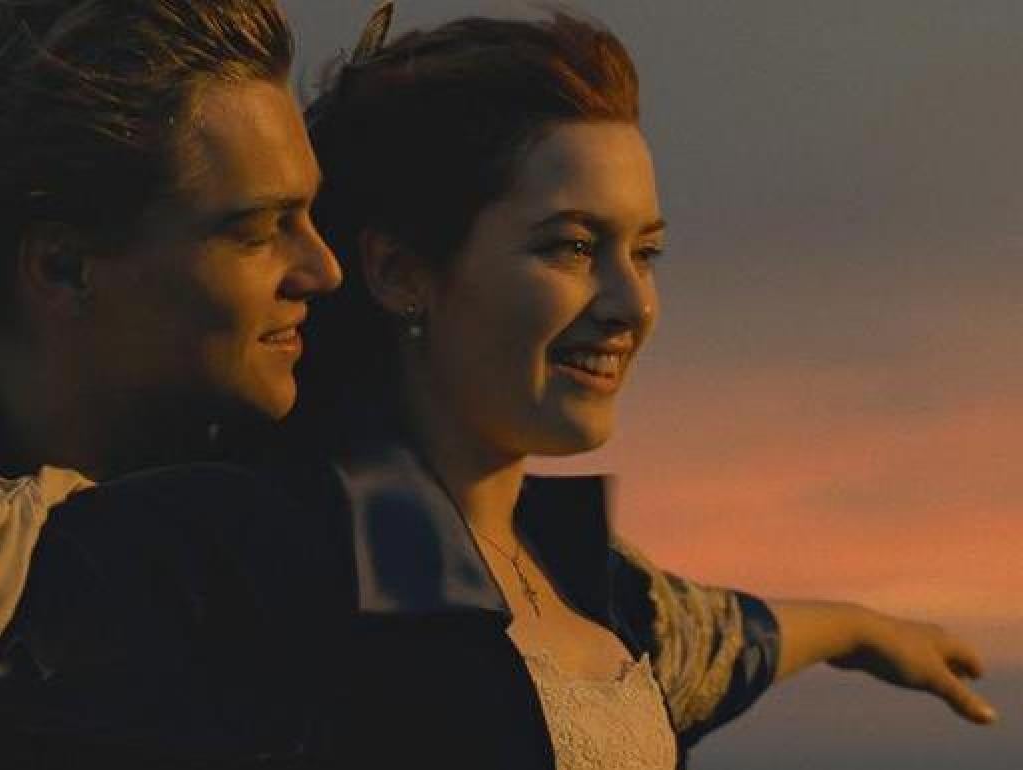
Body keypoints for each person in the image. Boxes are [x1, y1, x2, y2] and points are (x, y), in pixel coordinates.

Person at [279, 8, 998, 768]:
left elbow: (726, 640)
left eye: (645, 253)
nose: (633, 305)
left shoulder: (596, 580)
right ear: (400, 272)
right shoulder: (286, 573)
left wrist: (862, 629)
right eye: (573, 246)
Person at [0, 0, 339, 766]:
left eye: (310, 216)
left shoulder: (325, 463)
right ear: (64, 268)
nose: (322, 269)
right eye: (257, 232)